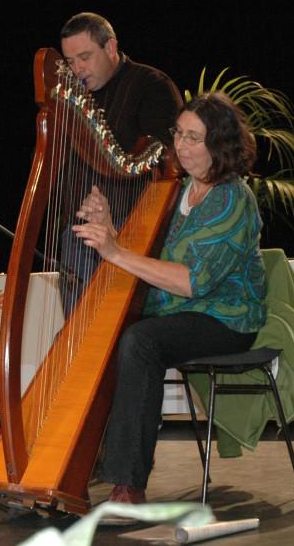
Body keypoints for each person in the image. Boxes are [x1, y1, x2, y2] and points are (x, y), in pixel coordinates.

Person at [72, 91, 266, 510]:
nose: (181, 145)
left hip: (225, 319)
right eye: (179, 134)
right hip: (174, 314)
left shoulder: (232, 200)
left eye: (195, 138)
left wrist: (116, 252)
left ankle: (128, 482)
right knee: (96, 333)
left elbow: (193, 283)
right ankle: (73, 461)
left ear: (221, 145)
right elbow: (152, 261)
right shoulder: (172, 193)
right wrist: (110, 229)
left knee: (142, 340)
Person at [59, 12, 183, 312]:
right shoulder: (71, 101)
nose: (77, 69)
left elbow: (167, 160)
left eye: (85, 57)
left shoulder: (151, 86)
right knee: (75, 242)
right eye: (70, 61)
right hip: (85, 231)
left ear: (111, 48)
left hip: (137, 225)